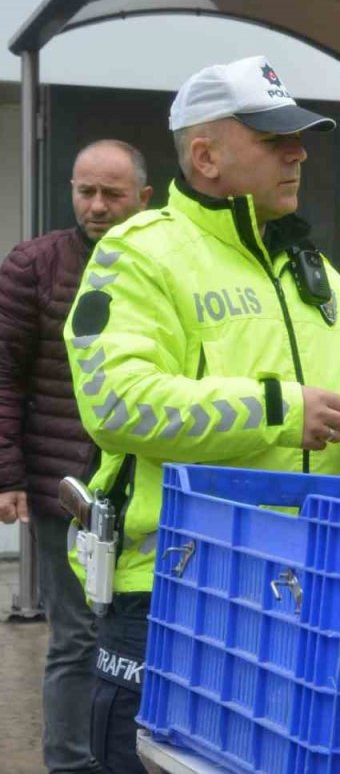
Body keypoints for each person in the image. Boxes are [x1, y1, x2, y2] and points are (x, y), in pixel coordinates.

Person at [64, 56, 340, 774]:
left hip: (303, 594)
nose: (298, 152)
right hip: (173, 595)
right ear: (205, 156)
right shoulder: (140, 254)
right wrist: (281, 409)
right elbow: (116, 403)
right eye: (274, 137)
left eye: (300, 136)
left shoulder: (320, 275)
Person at [0, 140, 151, 774]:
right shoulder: (34, 265)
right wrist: (6, 473)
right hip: (65, 486)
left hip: (144, 487)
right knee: (76, 638)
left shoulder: (161, 263)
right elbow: (4, 375)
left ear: (144, 197)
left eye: (112, 194)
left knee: (139, 636)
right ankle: (70, 764)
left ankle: (131, 756)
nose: (96, 205)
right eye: (84, 190)